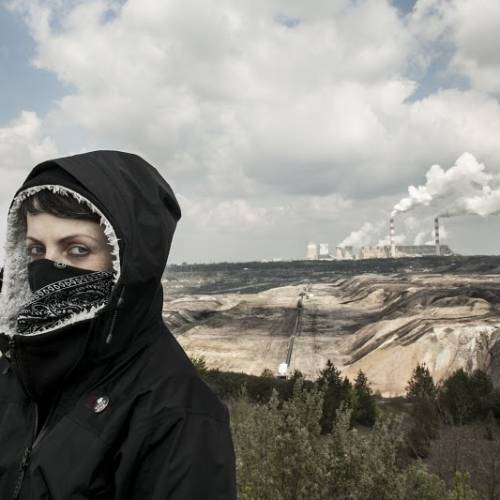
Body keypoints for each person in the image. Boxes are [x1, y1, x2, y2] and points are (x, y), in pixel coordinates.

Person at [0, 150, 237, 499]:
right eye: (36, 250)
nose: (48, 268)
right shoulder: (16, 369)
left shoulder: (179, 415)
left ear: (127, 260)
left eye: (77, 250)